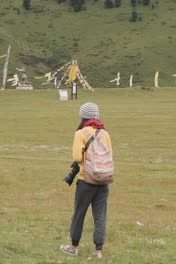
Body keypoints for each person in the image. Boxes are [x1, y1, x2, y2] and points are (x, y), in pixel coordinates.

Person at [60, 102, 113, 260]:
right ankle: (98, 251)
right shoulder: (105, 133)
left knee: (79, 214)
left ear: (82, 116)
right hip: (103, 180)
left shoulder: (81, 133)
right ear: (96, 115)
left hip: (86, 181)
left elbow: (77, 157)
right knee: (100, 216)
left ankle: (74, 247)